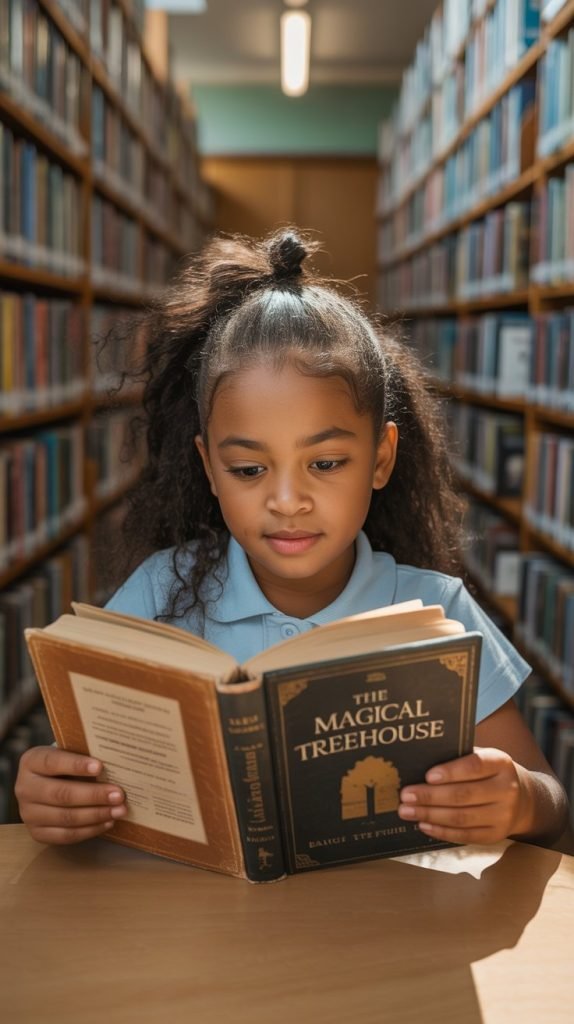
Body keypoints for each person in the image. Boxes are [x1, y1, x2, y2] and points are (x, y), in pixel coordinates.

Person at [15, 228, 568, 849]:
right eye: (249, 470)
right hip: (198, 927)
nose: (286, 500)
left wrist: (519, 799)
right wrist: (53, 792)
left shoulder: (439, 614)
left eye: (326, 463)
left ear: (381, 457)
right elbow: (78, 767)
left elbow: (552, 801)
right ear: (208, 469)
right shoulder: (159, 594)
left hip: (389, 928)